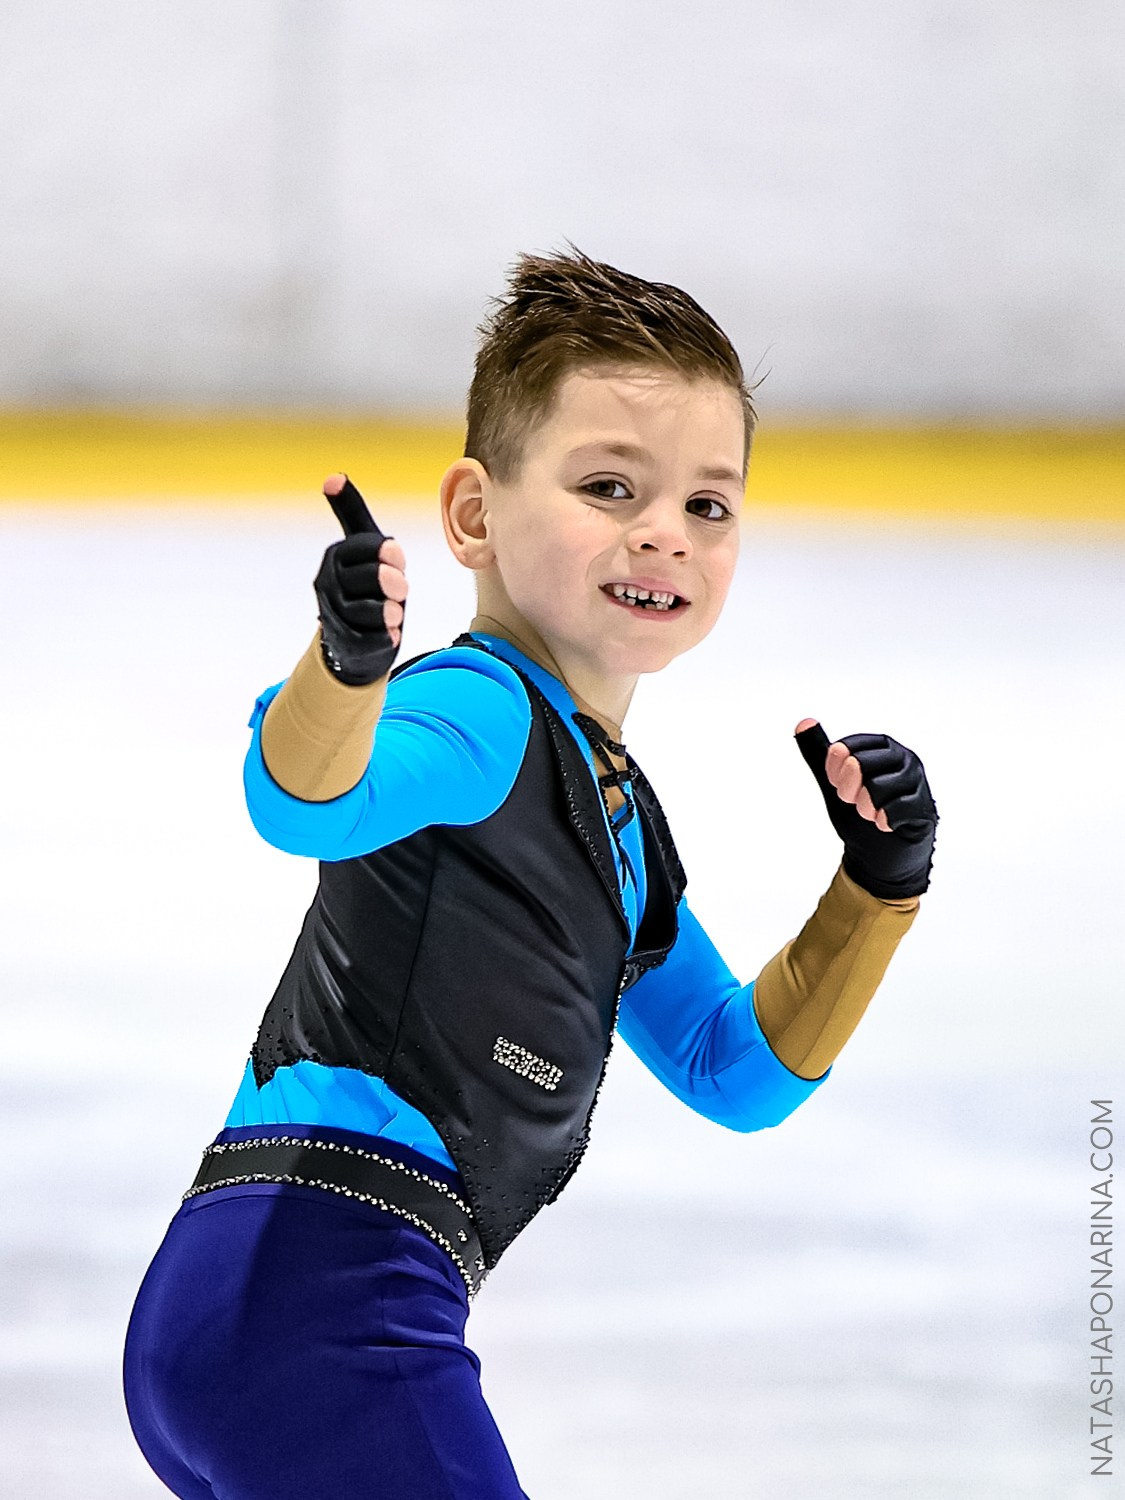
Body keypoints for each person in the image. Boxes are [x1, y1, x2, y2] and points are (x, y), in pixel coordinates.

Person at [123, 245, 937, 1499]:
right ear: (473, 515)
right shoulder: (479, 715)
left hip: (265, 1299)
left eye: (707, 506)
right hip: (323, 1296)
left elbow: (736, 1069)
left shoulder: (614, 823)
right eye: (611, 486)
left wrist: (876, 888)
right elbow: (302, 799)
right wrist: (344, 668)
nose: (665, 531)